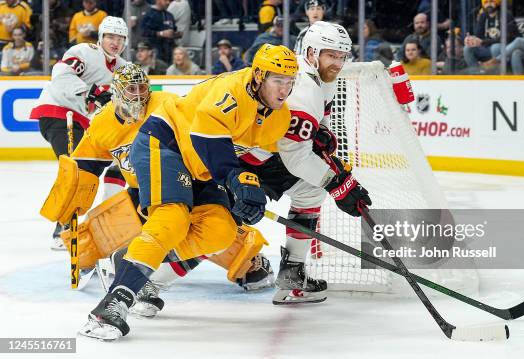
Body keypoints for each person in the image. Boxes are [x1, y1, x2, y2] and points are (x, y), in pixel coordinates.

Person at [77, 44, 298, 341]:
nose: (284, 90)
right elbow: (209, 141)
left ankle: (134, 258)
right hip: (166, 143)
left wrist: (255, 195)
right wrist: (237, 180)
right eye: (277, 80)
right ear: (258, 76)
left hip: (201, 167)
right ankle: (112, 304)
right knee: (172, 220)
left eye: (289, 82)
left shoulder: (279, 117)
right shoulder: (231, 91)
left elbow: (257, 160)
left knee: (220, 231)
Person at [40, 63, 274, 319]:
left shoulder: (165, 102)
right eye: (131, 89)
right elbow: (85, 168)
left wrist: (224, 175)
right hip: (141, 194)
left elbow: (203, 132)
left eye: (143, 87)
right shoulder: (102, 124)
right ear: (117, 92)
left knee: (220, 231)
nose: (139, 94)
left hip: (188, 179)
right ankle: (138, 275)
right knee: (107, 234)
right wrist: (72, 201)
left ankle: (245, 263)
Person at [260, 21, 371, 304]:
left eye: (342, 56)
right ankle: (148, 283)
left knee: (309, 191)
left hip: (265, 153)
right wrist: (338, 184)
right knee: (216, 221)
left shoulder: (321, 79)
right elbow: (296, 158)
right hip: (244, 156)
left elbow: (310, 133)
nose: (337, 62)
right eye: (331, 55)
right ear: (311, 53)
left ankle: (292, 272)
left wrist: (321, 133)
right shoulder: (302, 87)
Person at [29, 16, 128, 249]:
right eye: (111, 37)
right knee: (75, 170)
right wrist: (90, 92)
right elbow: (61, 74)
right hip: (57, 113)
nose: (115, 42)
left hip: (80, 121)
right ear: (101, 37)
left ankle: (80, 223)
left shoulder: (123, 68)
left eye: (120, 38)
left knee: (89, 167)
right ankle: (63, 228)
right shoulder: (85, 51)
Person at [463, 0, 518, 73]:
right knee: (467, 48)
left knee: (495, 47)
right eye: (486, 2)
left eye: (491, 1)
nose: (489, 4)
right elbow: (478, 36)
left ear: (497, 2)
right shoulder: (482, 16)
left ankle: (498, 76)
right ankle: (477, 75)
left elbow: (506, 38)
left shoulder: (506, 14)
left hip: (504, 49)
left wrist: (483, 41)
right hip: (486, 48)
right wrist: (472, 40)